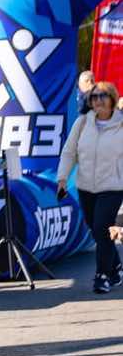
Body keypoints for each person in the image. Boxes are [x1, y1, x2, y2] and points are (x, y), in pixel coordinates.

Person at [57, 80, 123, 293]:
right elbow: (69, 152)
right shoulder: (83, 123)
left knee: (102, 227)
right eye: (94, 97)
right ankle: (116, 267)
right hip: (85, 187)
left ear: (112, 99)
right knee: (96, 230)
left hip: (113, 186)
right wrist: (62, 179)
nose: (97, 101)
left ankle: (102, 276)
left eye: (102, 96)